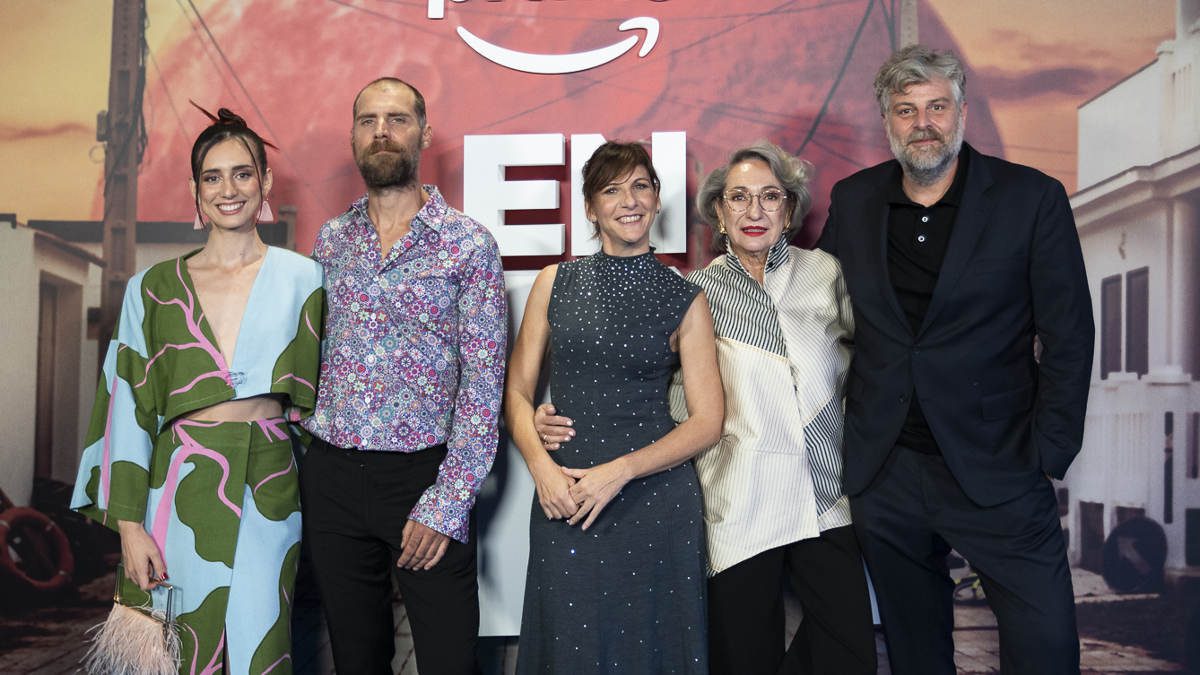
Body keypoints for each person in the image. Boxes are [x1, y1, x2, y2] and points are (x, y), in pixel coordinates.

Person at [817, 45, 1094, 674]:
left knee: (1046, 649)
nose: (924, 123)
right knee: (916, 656)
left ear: (962, 111)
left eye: (937, 106)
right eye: (906, 109)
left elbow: (1070, 334)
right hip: (886, 472)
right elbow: (819, 312)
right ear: (887, 122)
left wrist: (1049, 451)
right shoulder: (855, 199)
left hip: (999, 466)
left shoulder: (1031, 198)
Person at [72, 107, 325, 673]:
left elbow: (324, 406)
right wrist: (130, 527)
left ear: (264, 183)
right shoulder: (152, 288)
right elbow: (128, 409)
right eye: (213, 176)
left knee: (263, 649)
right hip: (177, 485)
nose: (228, 189)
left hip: (271, 486)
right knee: (178, 649)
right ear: (195, 190)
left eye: (242, 173)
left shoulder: (305, 278)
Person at [301, 77, 507, 675]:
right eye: (368, 120)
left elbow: (483, 383)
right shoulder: (331, 242)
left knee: (447, 660)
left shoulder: (468, 244)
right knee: (357, 660)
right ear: (353, 136)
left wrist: (446, 502)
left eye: (396, 118)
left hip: (424, 476)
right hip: (334, 475)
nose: (382, 131)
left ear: (425, 133)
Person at [505, 141, 723, 673]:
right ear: (589, 207)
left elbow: (708, 421)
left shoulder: (686, 298)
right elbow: (515, 393)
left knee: (653, 651)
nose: (629, 200)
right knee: (570, 647)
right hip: (567, 496)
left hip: (655, 501)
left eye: (641, 186)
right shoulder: (555, 281)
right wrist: (542, 469)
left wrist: (619, 473)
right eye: (612, 189)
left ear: (656, 198)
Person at [683, 142, 875, 674]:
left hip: (825, 491)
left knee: (849, 651)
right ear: (718, 213)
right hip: (739, 495)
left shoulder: (825, 272)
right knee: (742, 656)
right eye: (738, 198)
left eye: (770, 197)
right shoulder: (695, 293)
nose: (754, 211)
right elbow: (663, 392)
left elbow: (877, 362)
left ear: (789, 211)